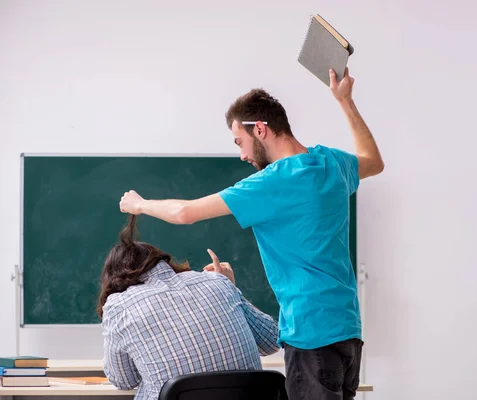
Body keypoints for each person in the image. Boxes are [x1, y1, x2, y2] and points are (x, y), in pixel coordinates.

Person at [119, 68, 384, 399]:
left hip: (311, 334)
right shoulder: (331, 162)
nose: (242, 154)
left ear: (260, 129)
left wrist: (140, 204)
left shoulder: (270, 182)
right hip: (347, 330)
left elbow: (185, 212)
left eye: (240, 142)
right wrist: (345, 101)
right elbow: (374, 161)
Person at [98, 215, 279, 400]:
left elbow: (124, 381)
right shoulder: (217, 282)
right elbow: (272, 341)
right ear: (163, 260)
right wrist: (229, 286)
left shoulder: (119, 307)